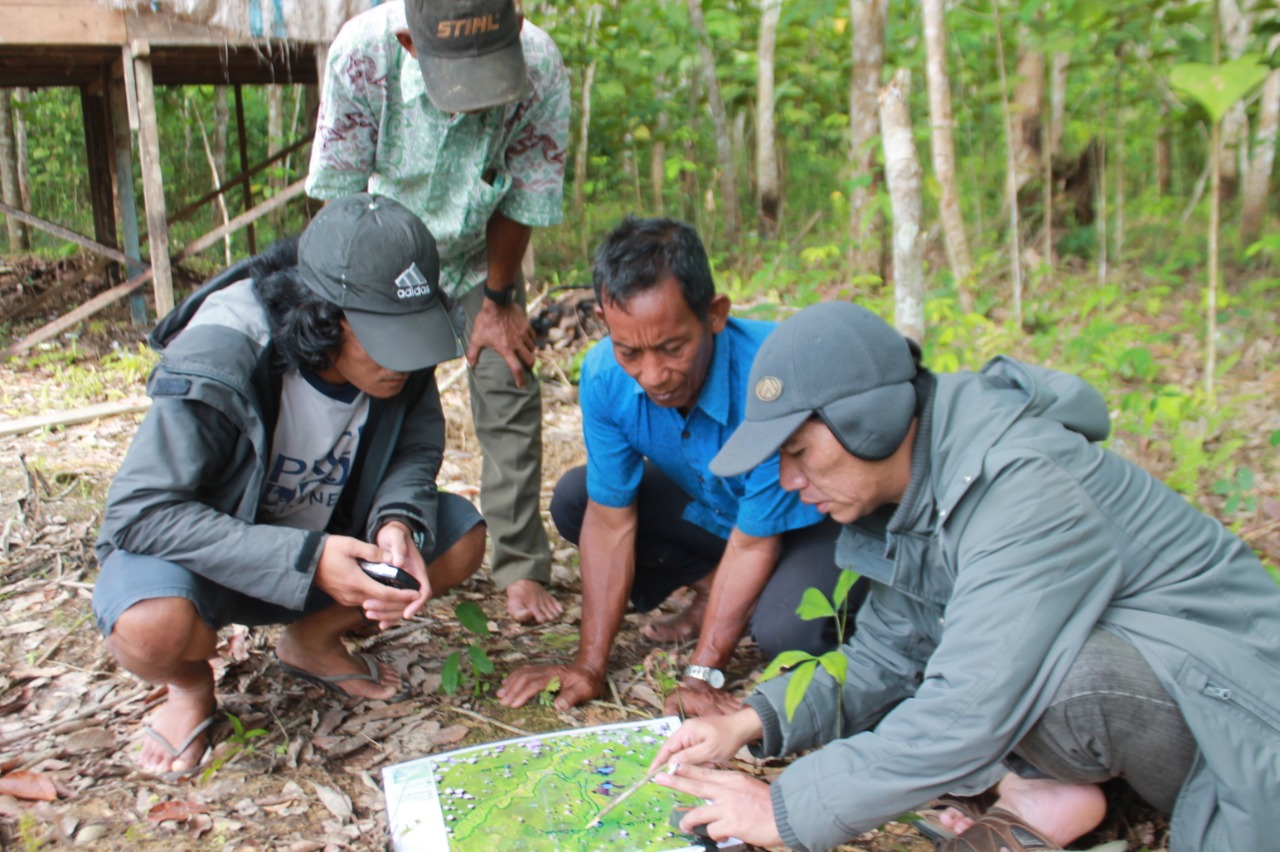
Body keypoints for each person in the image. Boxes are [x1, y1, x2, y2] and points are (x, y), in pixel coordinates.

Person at [650, 301, 1280, 851]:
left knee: (1037, 684)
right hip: (1154, 689)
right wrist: (746, 723)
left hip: (1238, 710)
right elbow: (885, 657)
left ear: (869, 420)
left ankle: (1039, 791)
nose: (788, 480)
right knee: (927, 696)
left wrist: (781, 810)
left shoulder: (1019, 480)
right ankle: (1042, 789)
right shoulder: (906, 492)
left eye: (798, 452)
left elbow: (972, 704)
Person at [93, 194, 487, 778]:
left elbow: (415, 446)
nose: (402, 363)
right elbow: (140, 513)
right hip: (216, 559)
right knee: (150, 626)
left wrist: (396, 521)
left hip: (330, 540)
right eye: (384, 338)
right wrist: (307, 558)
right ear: (323, 314)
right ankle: (188, 686)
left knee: (459, 539)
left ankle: (311, 639)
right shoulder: (224, 352)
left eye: (413, 334)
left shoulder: (401, 350)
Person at [497, 218, 862, 717]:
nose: (653, 376)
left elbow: (756, 540)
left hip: (809, 522)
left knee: (788, 631)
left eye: (673, 348)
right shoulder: (604, 375)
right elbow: (610, 522)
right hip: (725, 513)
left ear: (714, 314)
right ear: (605, 323)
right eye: (630, 350)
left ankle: (761, 597)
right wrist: (587, 665)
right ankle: (719, 585)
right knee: (578, 500)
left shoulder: (771, 375)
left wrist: (700, 675)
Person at [306, 0, 569, 624]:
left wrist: (499, 301)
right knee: (372, 388)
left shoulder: (540, 64)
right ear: (410, 42)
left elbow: (527, 191)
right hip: (379, 259)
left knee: (510, 386)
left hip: (481, 256)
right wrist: (348, 309)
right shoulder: (361, 55)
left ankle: (521, 567)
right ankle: (357, 541)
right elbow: (338, 200)